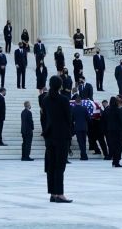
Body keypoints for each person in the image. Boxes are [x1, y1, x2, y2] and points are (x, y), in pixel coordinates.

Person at [41, 75, 73, 203]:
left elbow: (43, 118)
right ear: (60, 85)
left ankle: (53, 193)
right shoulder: (63, 100)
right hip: (61, 135)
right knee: (60, 165)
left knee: (51, 165)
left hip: (50, 135)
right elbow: (68, 118)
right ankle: (59, 193)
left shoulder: (45, 99)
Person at [71, 96, 90, 160]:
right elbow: (88, 118)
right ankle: (84, 155)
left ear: (75, 102)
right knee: (84, 141)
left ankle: (84, 155)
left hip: (77, 127)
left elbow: (71, 119)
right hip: (84, 127)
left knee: (80, 142)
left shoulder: (73, 109)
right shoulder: (84, 108)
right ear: (81, 102)